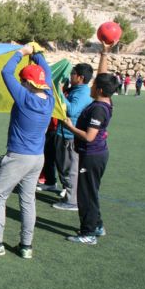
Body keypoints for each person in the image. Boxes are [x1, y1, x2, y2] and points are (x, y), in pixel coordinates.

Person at [0, 44, 54, 260]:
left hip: (18, 157)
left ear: (26, 83)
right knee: (27, 200)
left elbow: (6, 72)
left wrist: (21, 53)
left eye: (23, 81)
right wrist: (37, 55)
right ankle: (26, 245)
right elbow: (48, 72)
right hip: (37, 158)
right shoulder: (50, 97)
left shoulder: (25, 99)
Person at [63, 42, 117, 245]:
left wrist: (69, 127)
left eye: (94, 85)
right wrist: (104, 53)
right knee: (91, 192)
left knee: (85, 195)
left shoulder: (98, 110)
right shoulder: (106, 100)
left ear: (100, 90)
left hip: (92, 154)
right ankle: (98, 225)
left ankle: (88, 233)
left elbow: (89, 137)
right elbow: (103, 77)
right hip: (98, 153)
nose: (91, 85)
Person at [52, 62, 94, 211]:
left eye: (73, 74)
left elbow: (72, 110)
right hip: (63, 133)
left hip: (71, 136)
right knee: (63, 167)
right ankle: (68, 196)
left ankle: (72, 201)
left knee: (71, 169)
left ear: (81, 77)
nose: (71, 76)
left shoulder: (83, 93)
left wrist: (60, 91)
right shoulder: (76, 89)